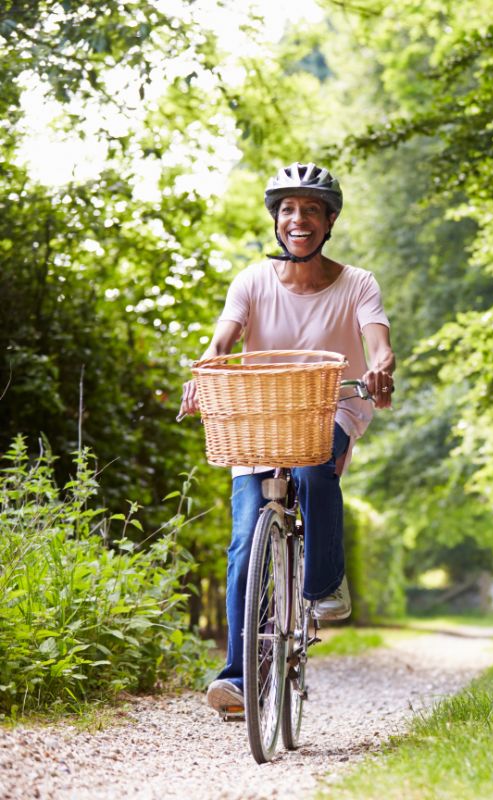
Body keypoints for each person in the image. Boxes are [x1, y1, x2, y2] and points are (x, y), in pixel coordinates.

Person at [178, 162, 396, 717]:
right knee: (246, 541)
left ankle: (323, 585)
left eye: (311, 210)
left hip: (333, 407)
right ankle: (238, 678)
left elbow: (378, 343)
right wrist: (204, 374)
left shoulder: (358, 283)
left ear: (328, 223)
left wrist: (379, 371)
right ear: (277, 221)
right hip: (260, 417)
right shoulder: (251, 281)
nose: (298, 219)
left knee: (311, 465)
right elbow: (223, 338)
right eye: (288, 210)